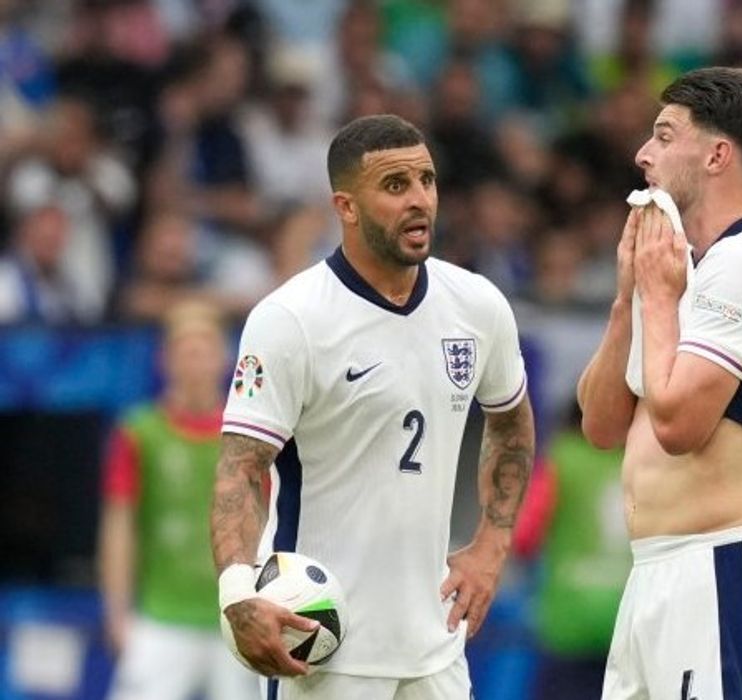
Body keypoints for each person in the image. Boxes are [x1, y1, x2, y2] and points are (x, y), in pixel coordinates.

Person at [211, 114, 534, 699]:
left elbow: (511, 423)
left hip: (435, 647)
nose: (420, 200)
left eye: (426, 181)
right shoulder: (290, 319)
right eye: (395, 185)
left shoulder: (477, 305)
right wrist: (237, 591)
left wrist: (492, 544)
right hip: (323, 645)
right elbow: (241, 468)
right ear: (346, 207)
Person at [577, 67, 742, 699]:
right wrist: (627, 298)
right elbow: (601, 426)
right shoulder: (678, 268)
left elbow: (678, 427)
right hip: (650, 574)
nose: (642, 154)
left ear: (717, 155)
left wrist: (658, 298)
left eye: (663, 135)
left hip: (719, 567)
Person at [100, 300, 256, 700]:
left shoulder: (245, 435)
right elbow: (120, 526)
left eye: (204, 352)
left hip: (234, 618)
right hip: (161, 617)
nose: (195, 364)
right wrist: (117, 611)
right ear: (165, 360)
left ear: (223, 360)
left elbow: (264, 517)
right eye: (186, 352)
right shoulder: (139, 433)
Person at [513, 401, 629, 699]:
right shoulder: (639, 461)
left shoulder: (561, 459)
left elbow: (523, 537)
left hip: (568, 623)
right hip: (628, 623)